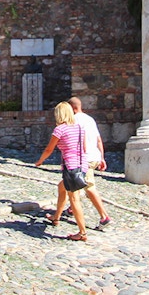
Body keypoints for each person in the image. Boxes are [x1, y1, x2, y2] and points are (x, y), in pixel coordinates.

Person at [35, 101, 88, 241]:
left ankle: (82, 233)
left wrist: (40, 161)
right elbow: (84, 148)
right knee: (61, 187)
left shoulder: (60, 130)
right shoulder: (80, 128)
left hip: (71, 168)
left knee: (74, 199)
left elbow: (49, 149)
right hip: (82, 165)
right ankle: (56, 217)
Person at [67, 97, 111, 229]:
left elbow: (77, 141)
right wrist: (102, 157)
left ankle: (104, 217)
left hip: (84, 158)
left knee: (89, 187)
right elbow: (98, 139)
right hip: (94, 156)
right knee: (70, 184)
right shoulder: (90, 119)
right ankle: (71, 208)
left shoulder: (74, 120)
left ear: (73, 108)